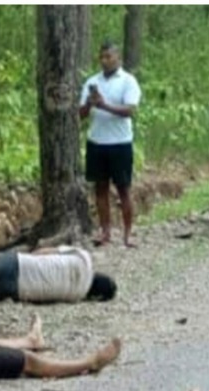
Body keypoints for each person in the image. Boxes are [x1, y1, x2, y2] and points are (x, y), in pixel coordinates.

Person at [79, 41, 143, 248]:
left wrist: (104, 104)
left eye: (109, 57)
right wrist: (89, 103)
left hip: (120, 143)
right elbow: (80, 115)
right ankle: (105, 232)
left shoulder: (128, 81)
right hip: (97, 142)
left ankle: (128, 233)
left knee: (123, 189)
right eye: (102, 57)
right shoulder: (91, 82)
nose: (105, 60)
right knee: (100, 189)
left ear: (118, 58)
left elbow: (129, 111)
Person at [0, 245, 116, 305]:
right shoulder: (76, 297)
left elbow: (44, 252)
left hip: (15, 264)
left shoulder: (83, 257)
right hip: (14, 291)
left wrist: (30, 256)